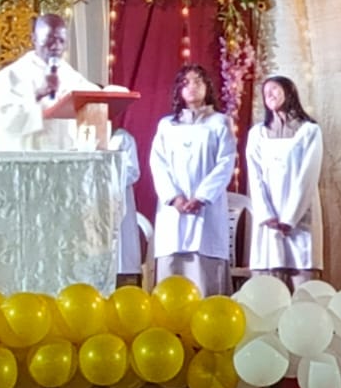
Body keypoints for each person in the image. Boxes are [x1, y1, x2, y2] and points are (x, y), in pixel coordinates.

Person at [149, 64, 238, 296]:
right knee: (172, 286)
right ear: (179, 90)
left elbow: (225, 162)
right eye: (186, 82)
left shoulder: (220, 122)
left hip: (206, 212)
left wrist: (201, 197)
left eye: (198, 81)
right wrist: (174, 197)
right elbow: (158, 163)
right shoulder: (167, 125)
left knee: (205, 281)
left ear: (207, 87)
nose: (192, 87)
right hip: (173, 213)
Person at [245, 74, 324, 286]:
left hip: (300, 217)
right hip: (269, 219)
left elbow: (308, 176)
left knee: (303, 282)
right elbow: (255, 177)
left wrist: (290, 218)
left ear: (289, 92)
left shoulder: (309, 131)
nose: (269, 94)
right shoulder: (257, 134)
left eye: (274, 89)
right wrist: (267, 215)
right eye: (265, 92)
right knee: (268, 283)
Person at [0, 13, 98, 150]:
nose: (56, 46)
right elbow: (2, 121)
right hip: (27, 158)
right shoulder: (10, 75)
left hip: (64, 157)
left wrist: (110, 92)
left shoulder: (70, 75)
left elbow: (94, 97)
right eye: (50, 39)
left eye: (61, 40)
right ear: (34, 38)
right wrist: (38, 94)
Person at [110, 124, 143, 279]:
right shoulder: (79, 136)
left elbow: (132, 172)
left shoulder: (122, 138)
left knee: (121, 252)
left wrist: (104, 178)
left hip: (118, 202)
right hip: (91, 207)